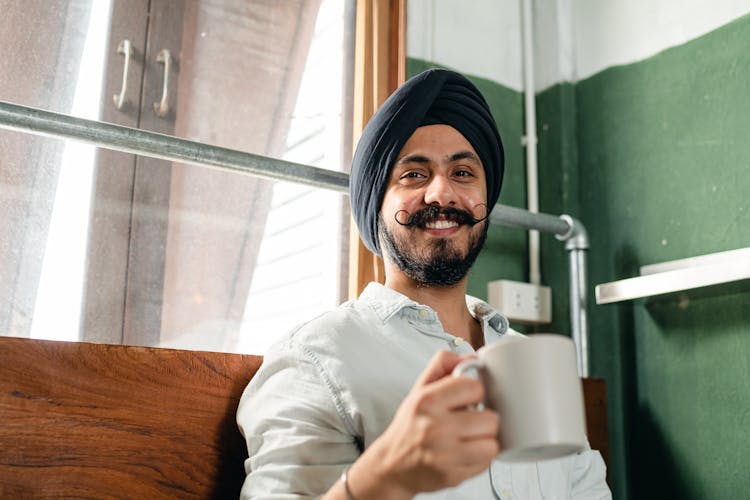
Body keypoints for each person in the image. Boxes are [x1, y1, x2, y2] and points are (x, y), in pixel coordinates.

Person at [236, 68, 611, 499]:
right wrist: (383, 476)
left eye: (464, 173)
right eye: (414, 175)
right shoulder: (312, 360)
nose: (442, 193)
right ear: (375, 203)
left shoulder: (530, 362)